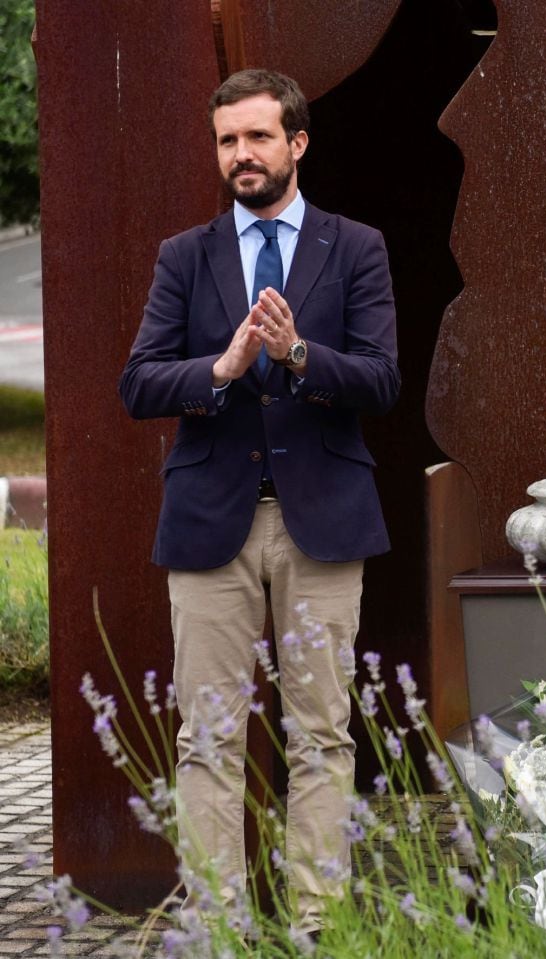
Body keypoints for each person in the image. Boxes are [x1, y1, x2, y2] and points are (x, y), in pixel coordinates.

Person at [119, 69, 399, 933]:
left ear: (297, 143)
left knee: (320, 733)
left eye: (257, 137)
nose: (240, 155)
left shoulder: (356, 248)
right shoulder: (185, 255)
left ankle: (317, 923)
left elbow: (384, 379)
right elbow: (138, 382)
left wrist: (302, 356)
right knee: (206, 739)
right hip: (210, 527)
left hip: (322, 523)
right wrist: (223, 368)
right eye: (226, 140)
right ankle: (217, 923)